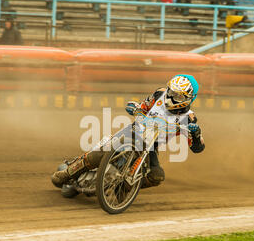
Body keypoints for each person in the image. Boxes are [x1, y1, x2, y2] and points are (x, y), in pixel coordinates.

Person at [51, 75, 205, 189]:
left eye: (177, 96)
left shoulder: (189, 118)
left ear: (189, 99)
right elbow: (143, 106)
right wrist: (135, 107)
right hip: (133, 132)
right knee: (99, 154)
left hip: (151, 146)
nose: (170, 97)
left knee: (156, 176)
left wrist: (196, 135)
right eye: (171, 92)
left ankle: (121, 190)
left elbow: (197, 148)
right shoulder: (160, 94)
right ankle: (67, 173)